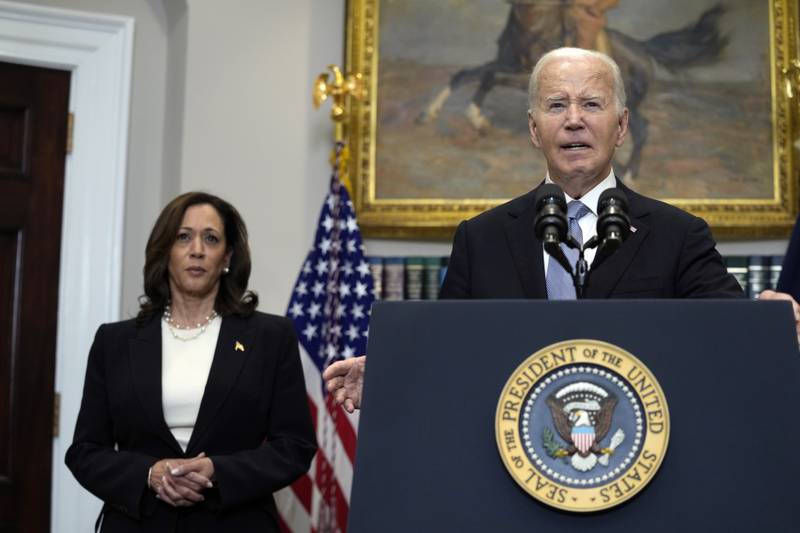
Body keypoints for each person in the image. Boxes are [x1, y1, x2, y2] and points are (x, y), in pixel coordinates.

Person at [323, 47, 800, 411]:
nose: (574, 120)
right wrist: (390, 374)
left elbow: (728, 337)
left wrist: (773, 325)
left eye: (591, 104)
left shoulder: (679, 235)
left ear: (621, 126)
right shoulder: (481, 237)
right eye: (556, 106)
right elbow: (454, 351)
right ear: (534, 130)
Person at [66, 192, 316, 532]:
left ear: (226, 257)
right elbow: (85, 451)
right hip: (139, 522)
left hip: (235, 522)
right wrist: (148, 474)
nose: (196, 249)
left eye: (210, 238)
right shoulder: (114, 342)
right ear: (165, 251)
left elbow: (295, 447)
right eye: (183, 237)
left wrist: (218, 470)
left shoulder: (270, 337)